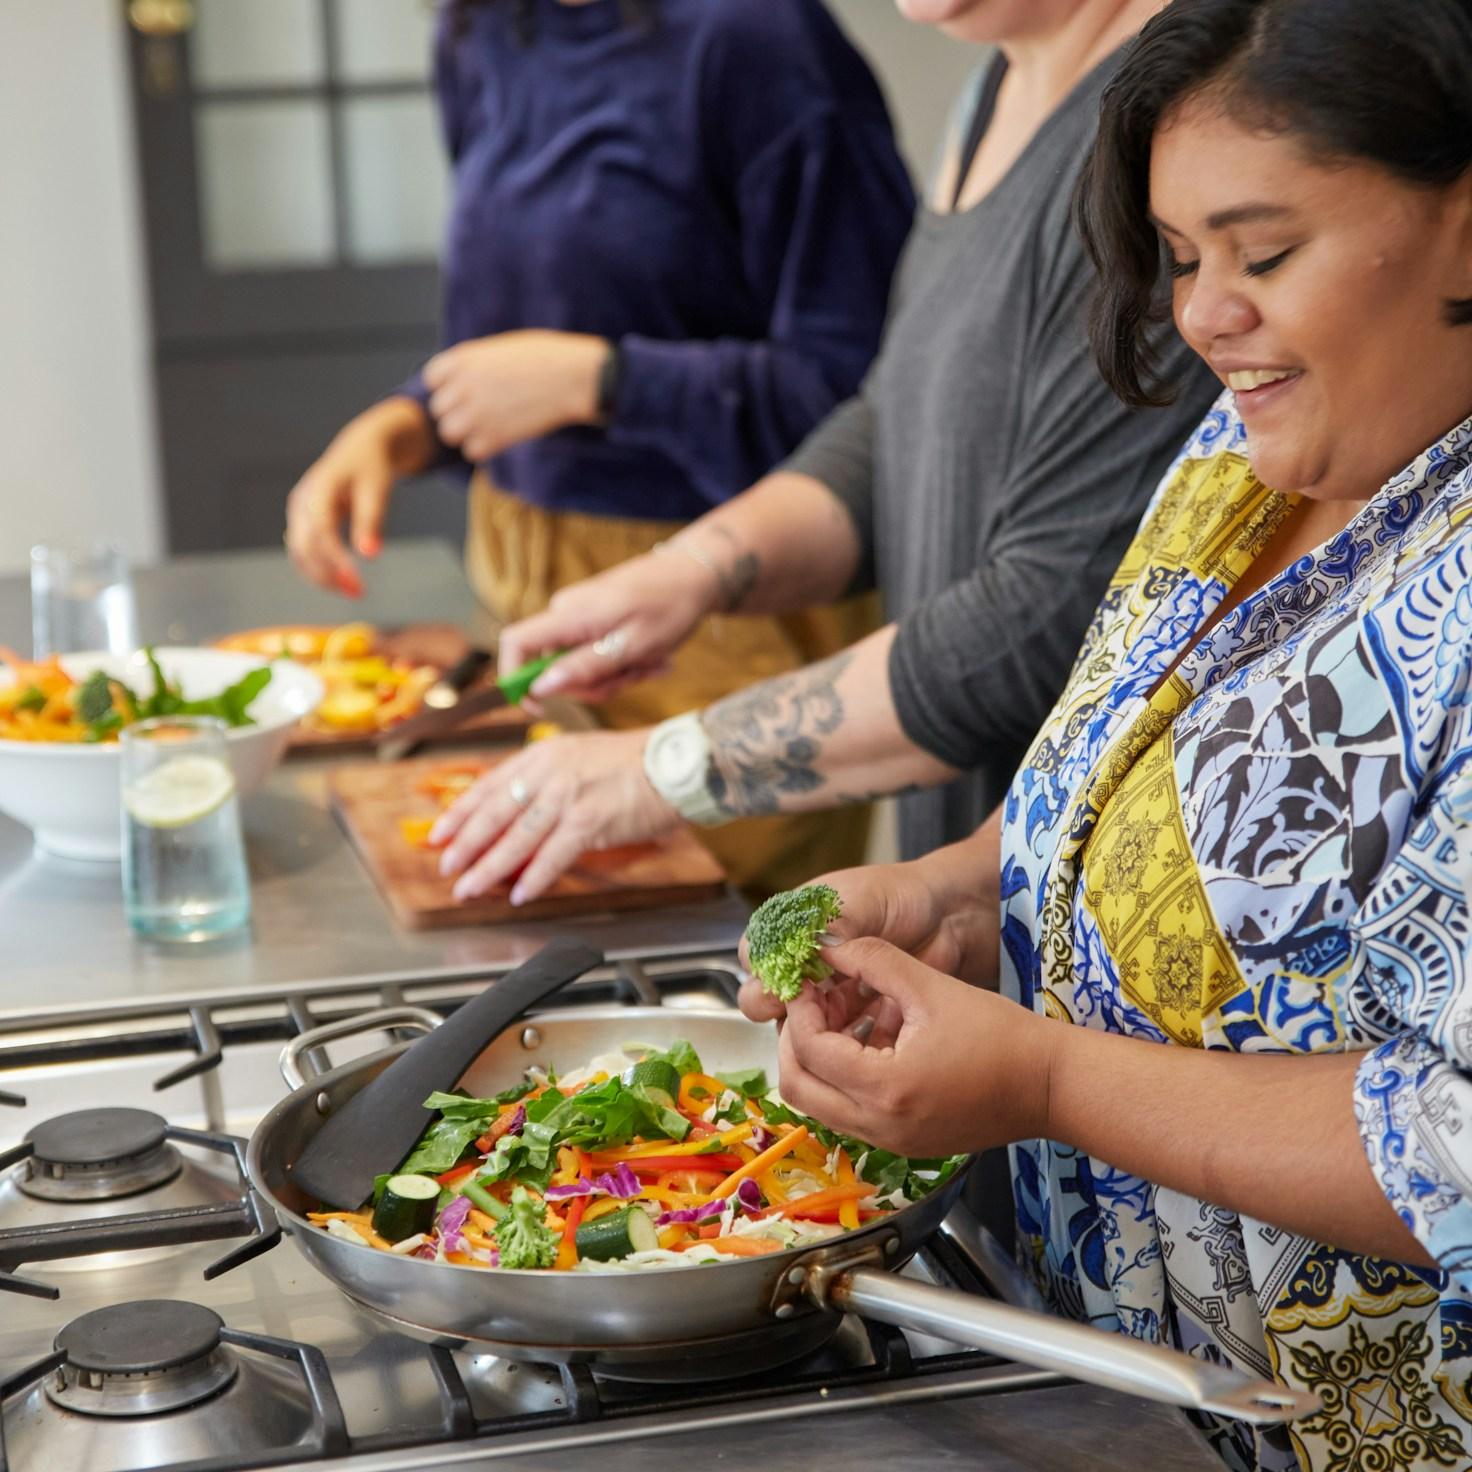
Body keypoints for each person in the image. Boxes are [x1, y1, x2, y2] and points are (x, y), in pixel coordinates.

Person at [738, 1, 1472, 1467]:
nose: (1203, 313)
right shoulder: (1237, 452)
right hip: (1117, 1396)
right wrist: (952, 890)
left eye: (1264, 255)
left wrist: (1043, 1081)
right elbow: (1121, 779)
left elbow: (1455, 1140)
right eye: (1185, 258)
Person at [428, 0, 1223, 910]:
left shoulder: (1171, 124)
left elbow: (1040, 618)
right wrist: (696, 570)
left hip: (1110, 897)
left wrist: (665, 767)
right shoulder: (998, 81)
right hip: (979, 877)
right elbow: (895, 414)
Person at [284, 0, 917, 896]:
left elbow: (870, 400)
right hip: (517, 582)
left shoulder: (760, 42)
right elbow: (515, 329)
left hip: (728, 615)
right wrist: (408, 424)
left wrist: (606, 381)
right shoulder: (482, 31)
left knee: (715, 980)